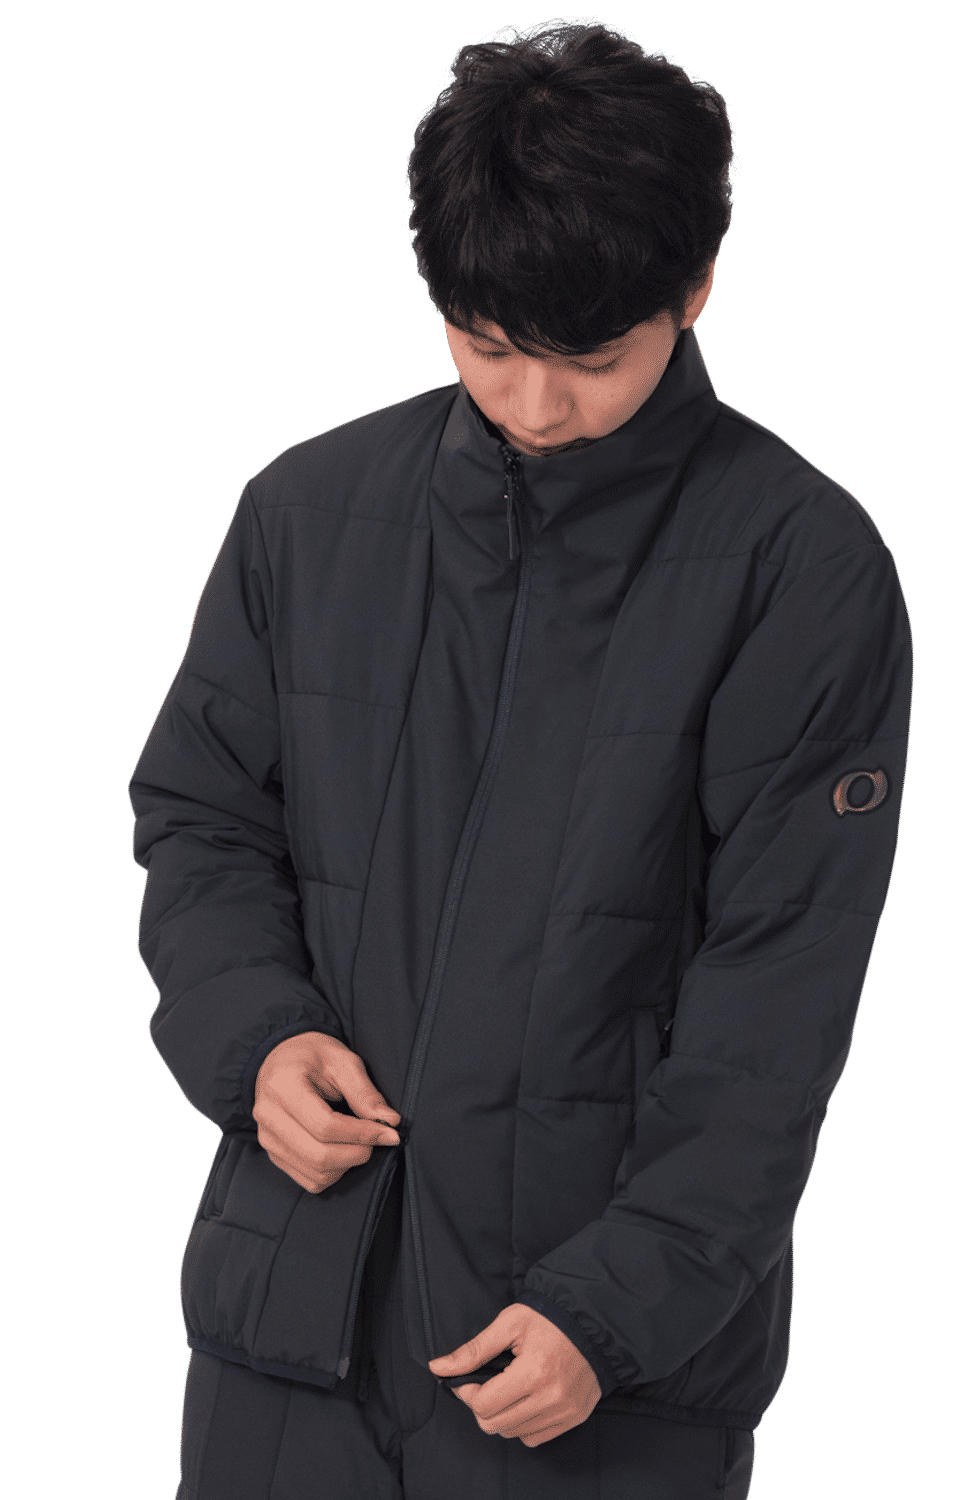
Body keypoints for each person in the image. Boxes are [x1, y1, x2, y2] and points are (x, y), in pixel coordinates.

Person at [130, 20, 912, 1500]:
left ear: (696, 285)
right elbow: (202, 816)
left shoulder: (800, 569)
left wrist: (617, 1305)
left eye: (593, 360)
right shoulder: (306, 514)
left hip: (582, 1373)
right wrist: (258, 1040)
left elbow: (780, 992)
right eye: (489, 348)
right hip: (289, 1329)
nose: (538, 407)